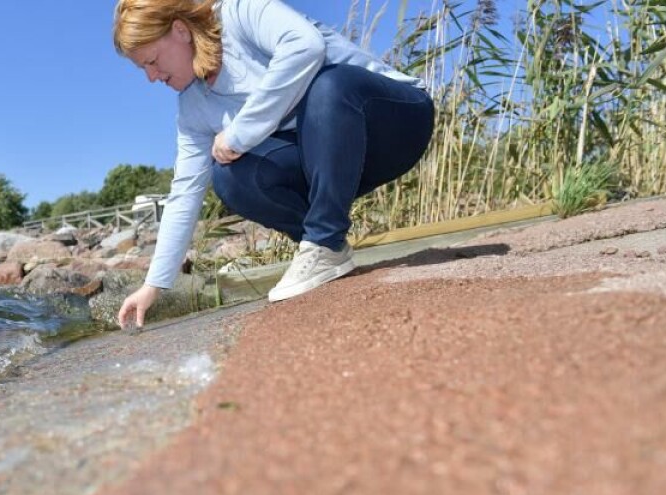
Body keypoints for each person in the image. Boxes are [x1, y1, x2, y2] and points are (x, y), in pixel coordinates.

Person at [114, 0, 434, 328]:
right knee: (229, 176)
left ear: (180, 31)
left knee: (329, 85)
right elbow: (184, 191)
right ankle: (327, 248)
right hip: (335, 164)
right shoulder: (193, 106)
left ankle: (323, 238)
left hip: (396, 125)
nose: (152, 77)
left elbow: (306, 46)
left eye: (151, 61)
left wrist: (238, 134)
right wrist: (153, 285)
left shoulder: (240, 13)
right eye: (144, 69)